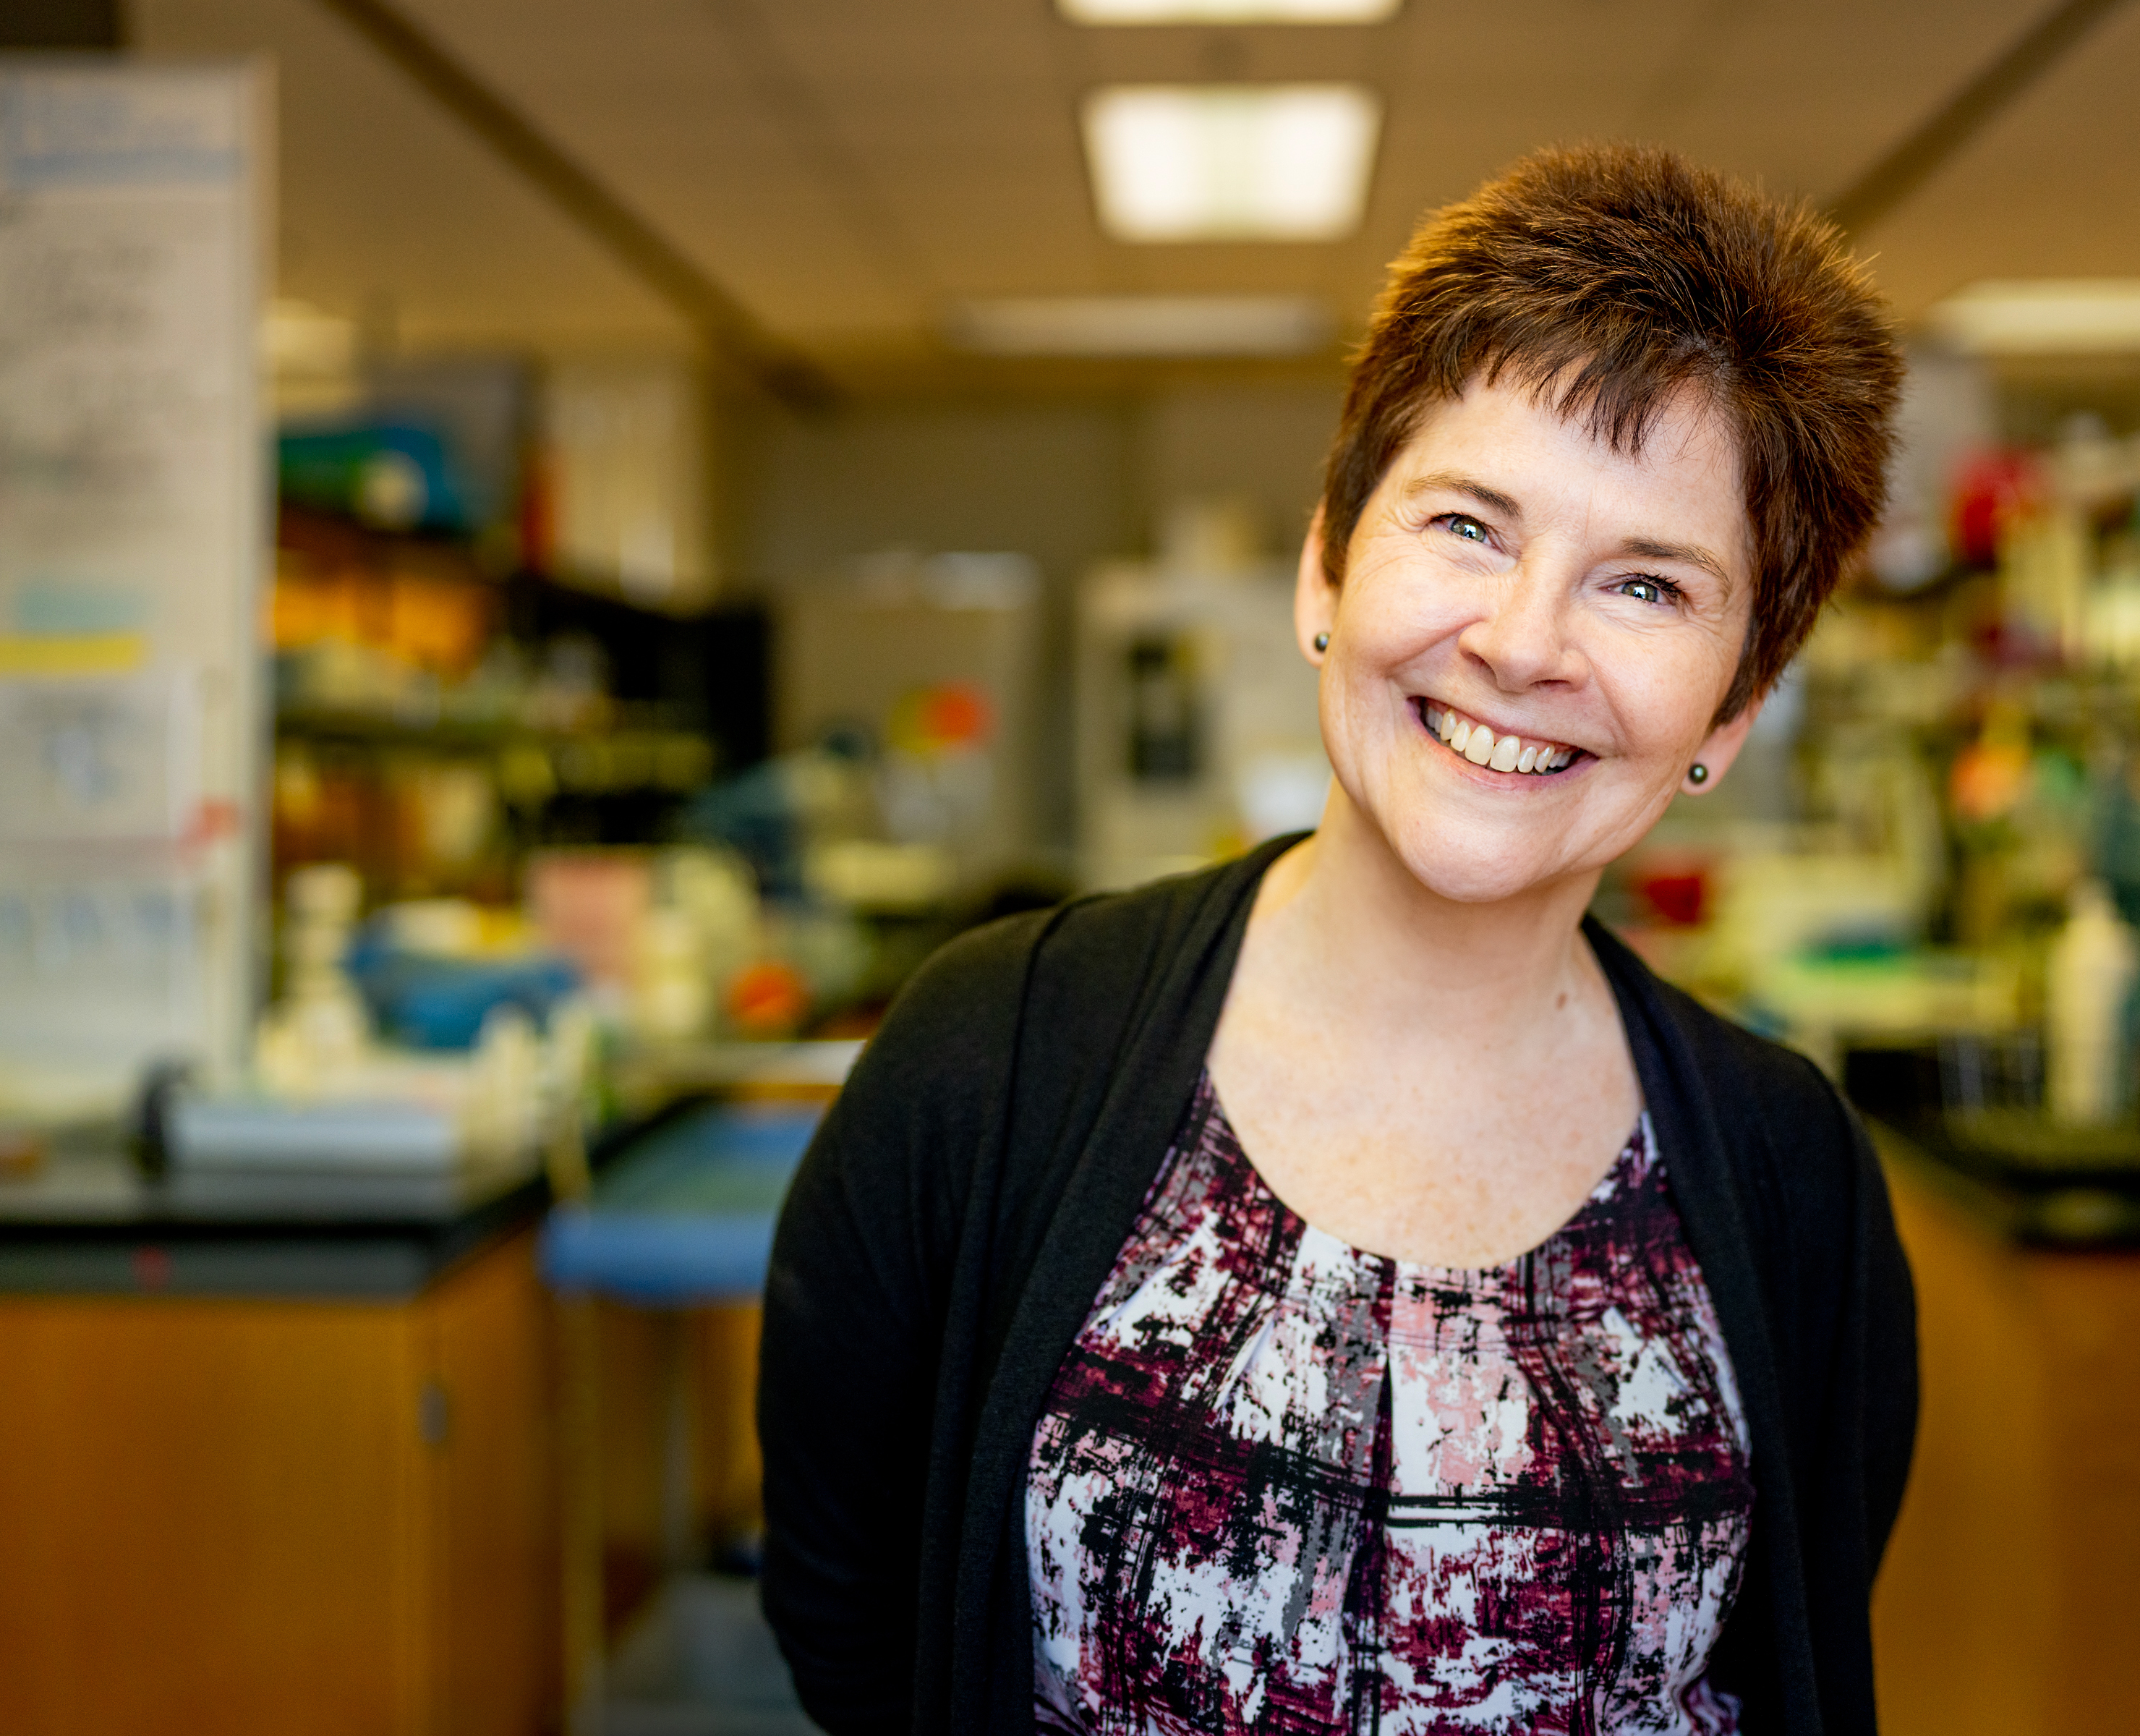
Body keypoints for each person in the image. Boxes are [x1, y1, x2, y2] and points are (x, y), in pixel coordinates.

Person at [761, 142, 1916, 1736]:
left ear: (1734, 705)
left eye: (1645, 585)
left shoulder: (1794, 1180)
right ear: (1327, 561)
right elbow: (851, 1615)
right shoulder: (992, 1053)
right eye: (1469, 524)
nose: (1523, 644)